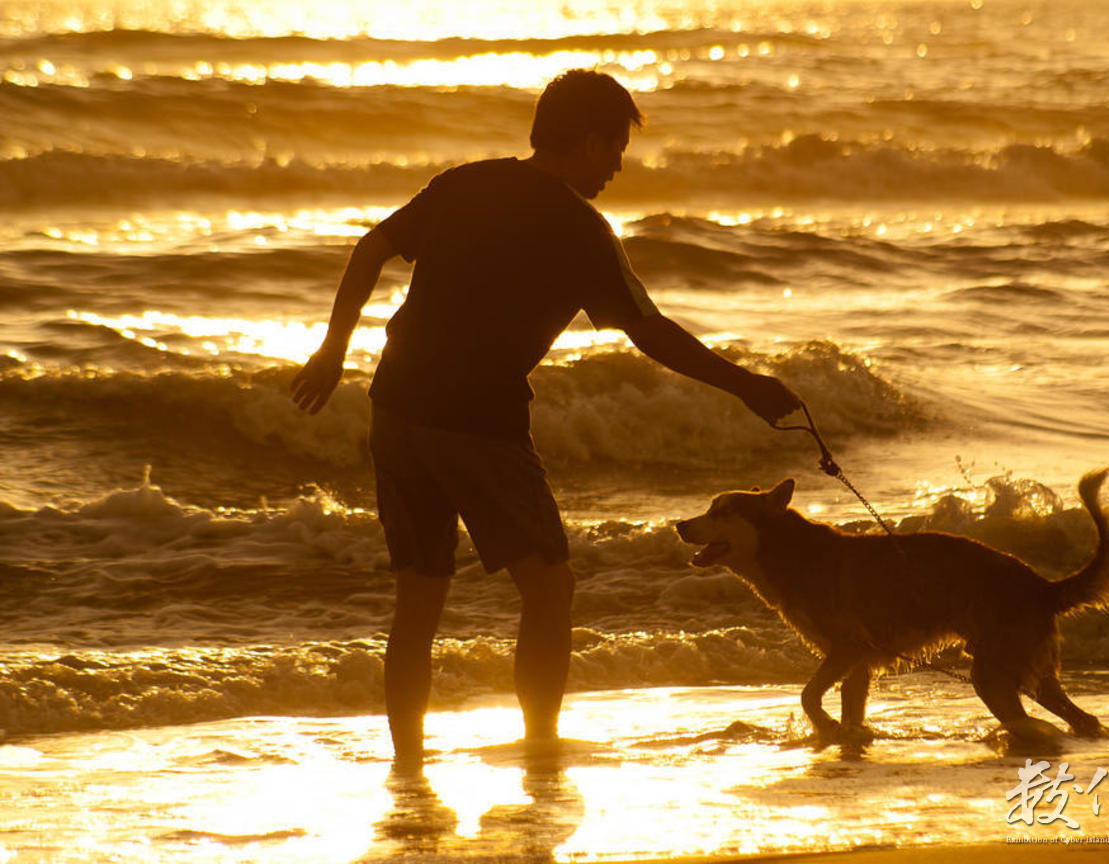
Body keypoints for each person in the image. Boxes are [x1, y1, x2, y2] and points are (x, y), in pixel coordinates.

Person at [290, 69, 801, 773]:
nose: (619, 165)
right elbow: (648, 331)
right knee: (549, 585)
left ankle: (407, 765)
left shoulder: (463, 182)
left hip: (397, 407)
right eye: (615, 147)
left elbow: (369, 249)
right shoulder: (578, 227)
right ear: (588, 140)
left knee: (419, 595)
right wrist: (745, 386)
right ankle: (539, 748)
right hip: (476, 422)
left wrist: (331, 353)